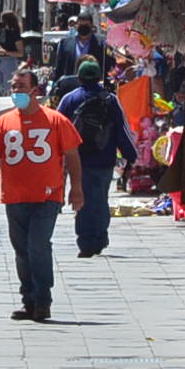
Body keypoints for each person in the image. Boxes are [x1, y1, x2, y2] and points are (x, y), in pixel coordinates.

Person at [0, 69, 83, 322]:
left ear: (35, 90)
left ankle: (43, 299)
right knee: (21, 250)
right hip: (15, 196)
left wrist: (76, 189)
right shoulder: (4, 121)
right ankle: (29, 300)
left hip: (47, 197)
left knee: (38, 246)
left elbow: (73, 156)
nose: (16, 91)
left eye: (21, 86)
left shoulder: (56, 121)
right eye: (13, 87)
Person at [57, 59, 139, 258]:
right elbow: (123, 130)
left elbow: (56, 127)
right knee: (100, 199)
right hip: (104, 158)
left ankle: (85, 241)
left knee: (82, 198)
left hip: (78, 159)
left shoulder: (69, 99)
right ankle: (99, 238)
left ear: (79, 78)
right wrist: (131, 155)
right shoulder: (110, 99)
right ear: (99, 78)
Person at [51, 14, 110, 82]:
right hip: (70, 85)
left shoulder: (101, 44)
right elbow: (59, 68)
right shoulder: (65, 43)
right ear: (76, 25)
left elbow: (106, 67)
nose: (83, 27)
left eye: (86, 25)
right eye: (81, 25)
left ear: (91, 25)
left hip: (92, 85)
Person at [0, 11, 25, 96]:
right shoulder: (3, 32)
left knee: (9, 91)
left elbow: (20, 53)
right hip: (0, 62)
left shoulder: (15, 34)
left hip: (10, 63)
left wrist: (6, 52)